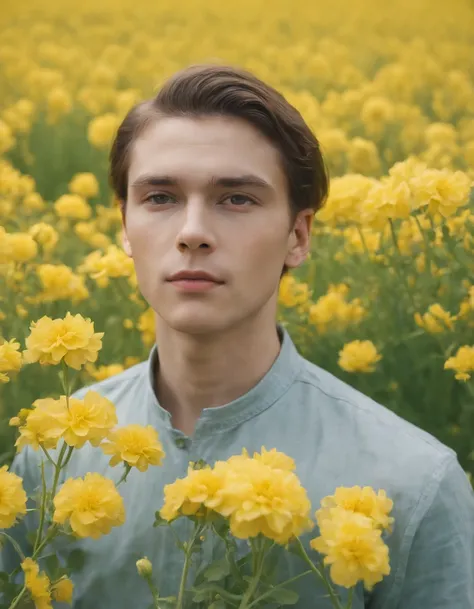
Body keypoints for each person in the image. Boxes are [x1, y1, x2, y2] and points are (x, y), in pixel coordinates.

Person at [3, 64, 474, 608]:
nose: (193, 233)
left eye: (236, 199)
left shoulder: (415, 485)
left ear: (298, 236)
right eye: (160, 197)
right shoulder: (50, 457)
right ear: (124, 229)